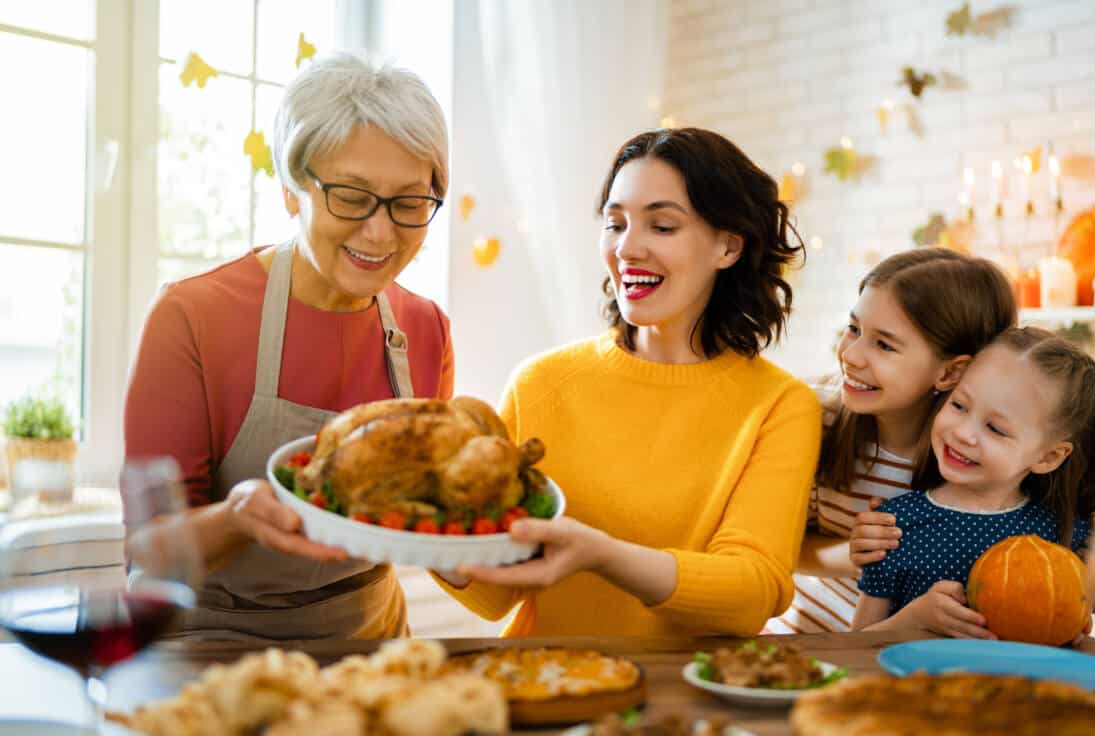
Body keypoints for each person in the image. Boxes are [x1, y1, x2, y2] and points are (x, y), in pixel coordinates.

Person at [435, 127, 821, 637]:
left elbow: (752, 591)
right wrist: (412, 523)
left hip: (688, 702)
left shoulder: (779, 405)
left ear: (728, 246)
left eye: (662, 226)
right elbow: (494, 594)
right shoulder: (542, 383)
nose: (628, 248)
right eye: (615, 224)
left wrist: (601, 555)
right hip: (545, 682)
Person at [122, 53, 453, 640]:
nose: (379, 233)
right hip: (209, 648)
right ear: (292, 190)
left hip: (372, 641)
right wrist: (237, 516)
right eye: (351, 196)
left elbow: (421, 515)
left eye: (409, 203)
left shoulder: (426, 329)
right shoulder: (192, 316)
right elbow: (149, 550)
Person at [764, 248, 1016, 634]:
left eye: (884, 345)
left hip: (912, 651)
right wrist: (855, 554)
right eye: (854, 328)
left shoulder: (975, 458)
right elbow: (776, 548)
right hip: (804, 639)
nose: (852, 355)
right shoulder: (817, 419)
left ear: (950, 372)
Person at [851, 327, 1095, 637]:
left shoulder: (1067, 537)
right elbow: (856, 647)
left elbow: (1079, 628)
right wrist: (914, 619)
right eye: (959, 405)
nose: (963, 433)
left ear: (1048, 457)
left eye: (996, 429)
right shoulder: (893, 529)